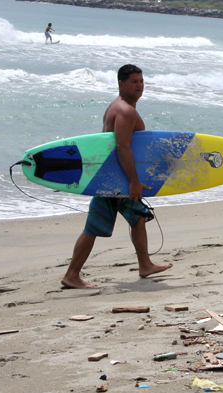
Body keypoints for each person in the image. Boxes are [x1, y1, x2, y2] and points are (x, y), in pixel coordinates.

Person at [61, 64, 172, 289]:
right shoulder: (124, 111)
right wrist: (132, 182)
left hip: (114, 178)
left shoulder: (119, 107)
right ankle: (72, 275)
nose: (139, 86)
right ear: (121, 84)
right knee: (93, 227)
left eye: (141, 81)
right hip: (115, 181)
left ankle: (145, 264)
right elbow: (122, 147)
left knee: (138, 217)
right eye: (134, 82)